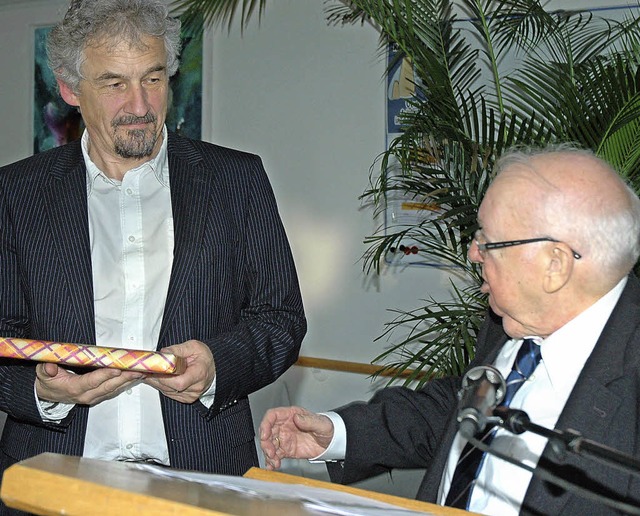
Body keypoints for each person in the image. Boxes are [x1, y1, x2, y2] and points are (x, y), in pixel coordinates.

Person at [0, 0, 306, 510]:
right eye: (115, 83)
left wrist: (216, 366)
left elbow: (281, 320)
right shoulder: (17, 193)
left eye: (154, 77)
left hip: (202, 482)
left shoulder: (236, 180)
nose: (140, 104)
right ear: (70, 89)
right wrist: (39, 391)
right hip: (50, 483)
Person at [260, 146, 640, 515]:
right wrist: (336, 432)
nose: (474, 253)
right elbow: (455, 410)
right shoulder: (507, 321)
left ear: (554, 265)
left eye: (488, 241)